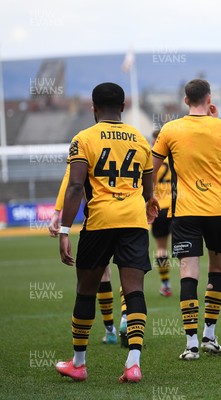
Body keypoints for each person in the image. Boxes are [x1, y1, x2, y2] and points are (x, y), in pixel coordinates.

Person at [55, 82, 154, 383]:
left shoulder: (83, 139)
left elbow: (74, 186)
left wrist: (63, 229)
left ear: (93, 107)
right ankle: (133, 364)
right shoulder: (140, 139)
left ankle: (79, 363)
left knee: (86, 290)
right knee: (134, 290)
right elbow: (148, 191)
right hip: (134, 222)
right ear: (123, 107)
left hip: (99, 222)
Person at [151, 79, 221, 360]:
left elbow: (151, 168)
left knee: (188, 272)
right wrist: (214, 119)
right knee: (217, 270)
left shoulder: (170, 129)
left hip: (185, 211)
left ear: (185, 100)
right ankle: (210, 336)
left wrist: (149, 197)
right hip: (218, 210)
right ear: (209, 98)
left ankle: (190, 344)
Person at [50, 168, 124, 345]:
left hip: (99, 217)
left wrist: (56, 212)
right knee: (129, 272)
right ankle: (127, 316)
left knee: (102, 272)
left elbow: (71, 181)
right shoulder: (129, 141)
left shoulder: (85, 145)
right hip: (129, 216)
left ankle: (110, 330)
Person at [151, 129, 173, 297]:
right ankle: (187, 282)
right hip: (176, 208)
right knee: (184, 249)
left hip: (158, 209)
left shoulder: (151, 162)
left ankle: (165, 284)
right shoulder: (175, 159)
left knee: (161, 248)